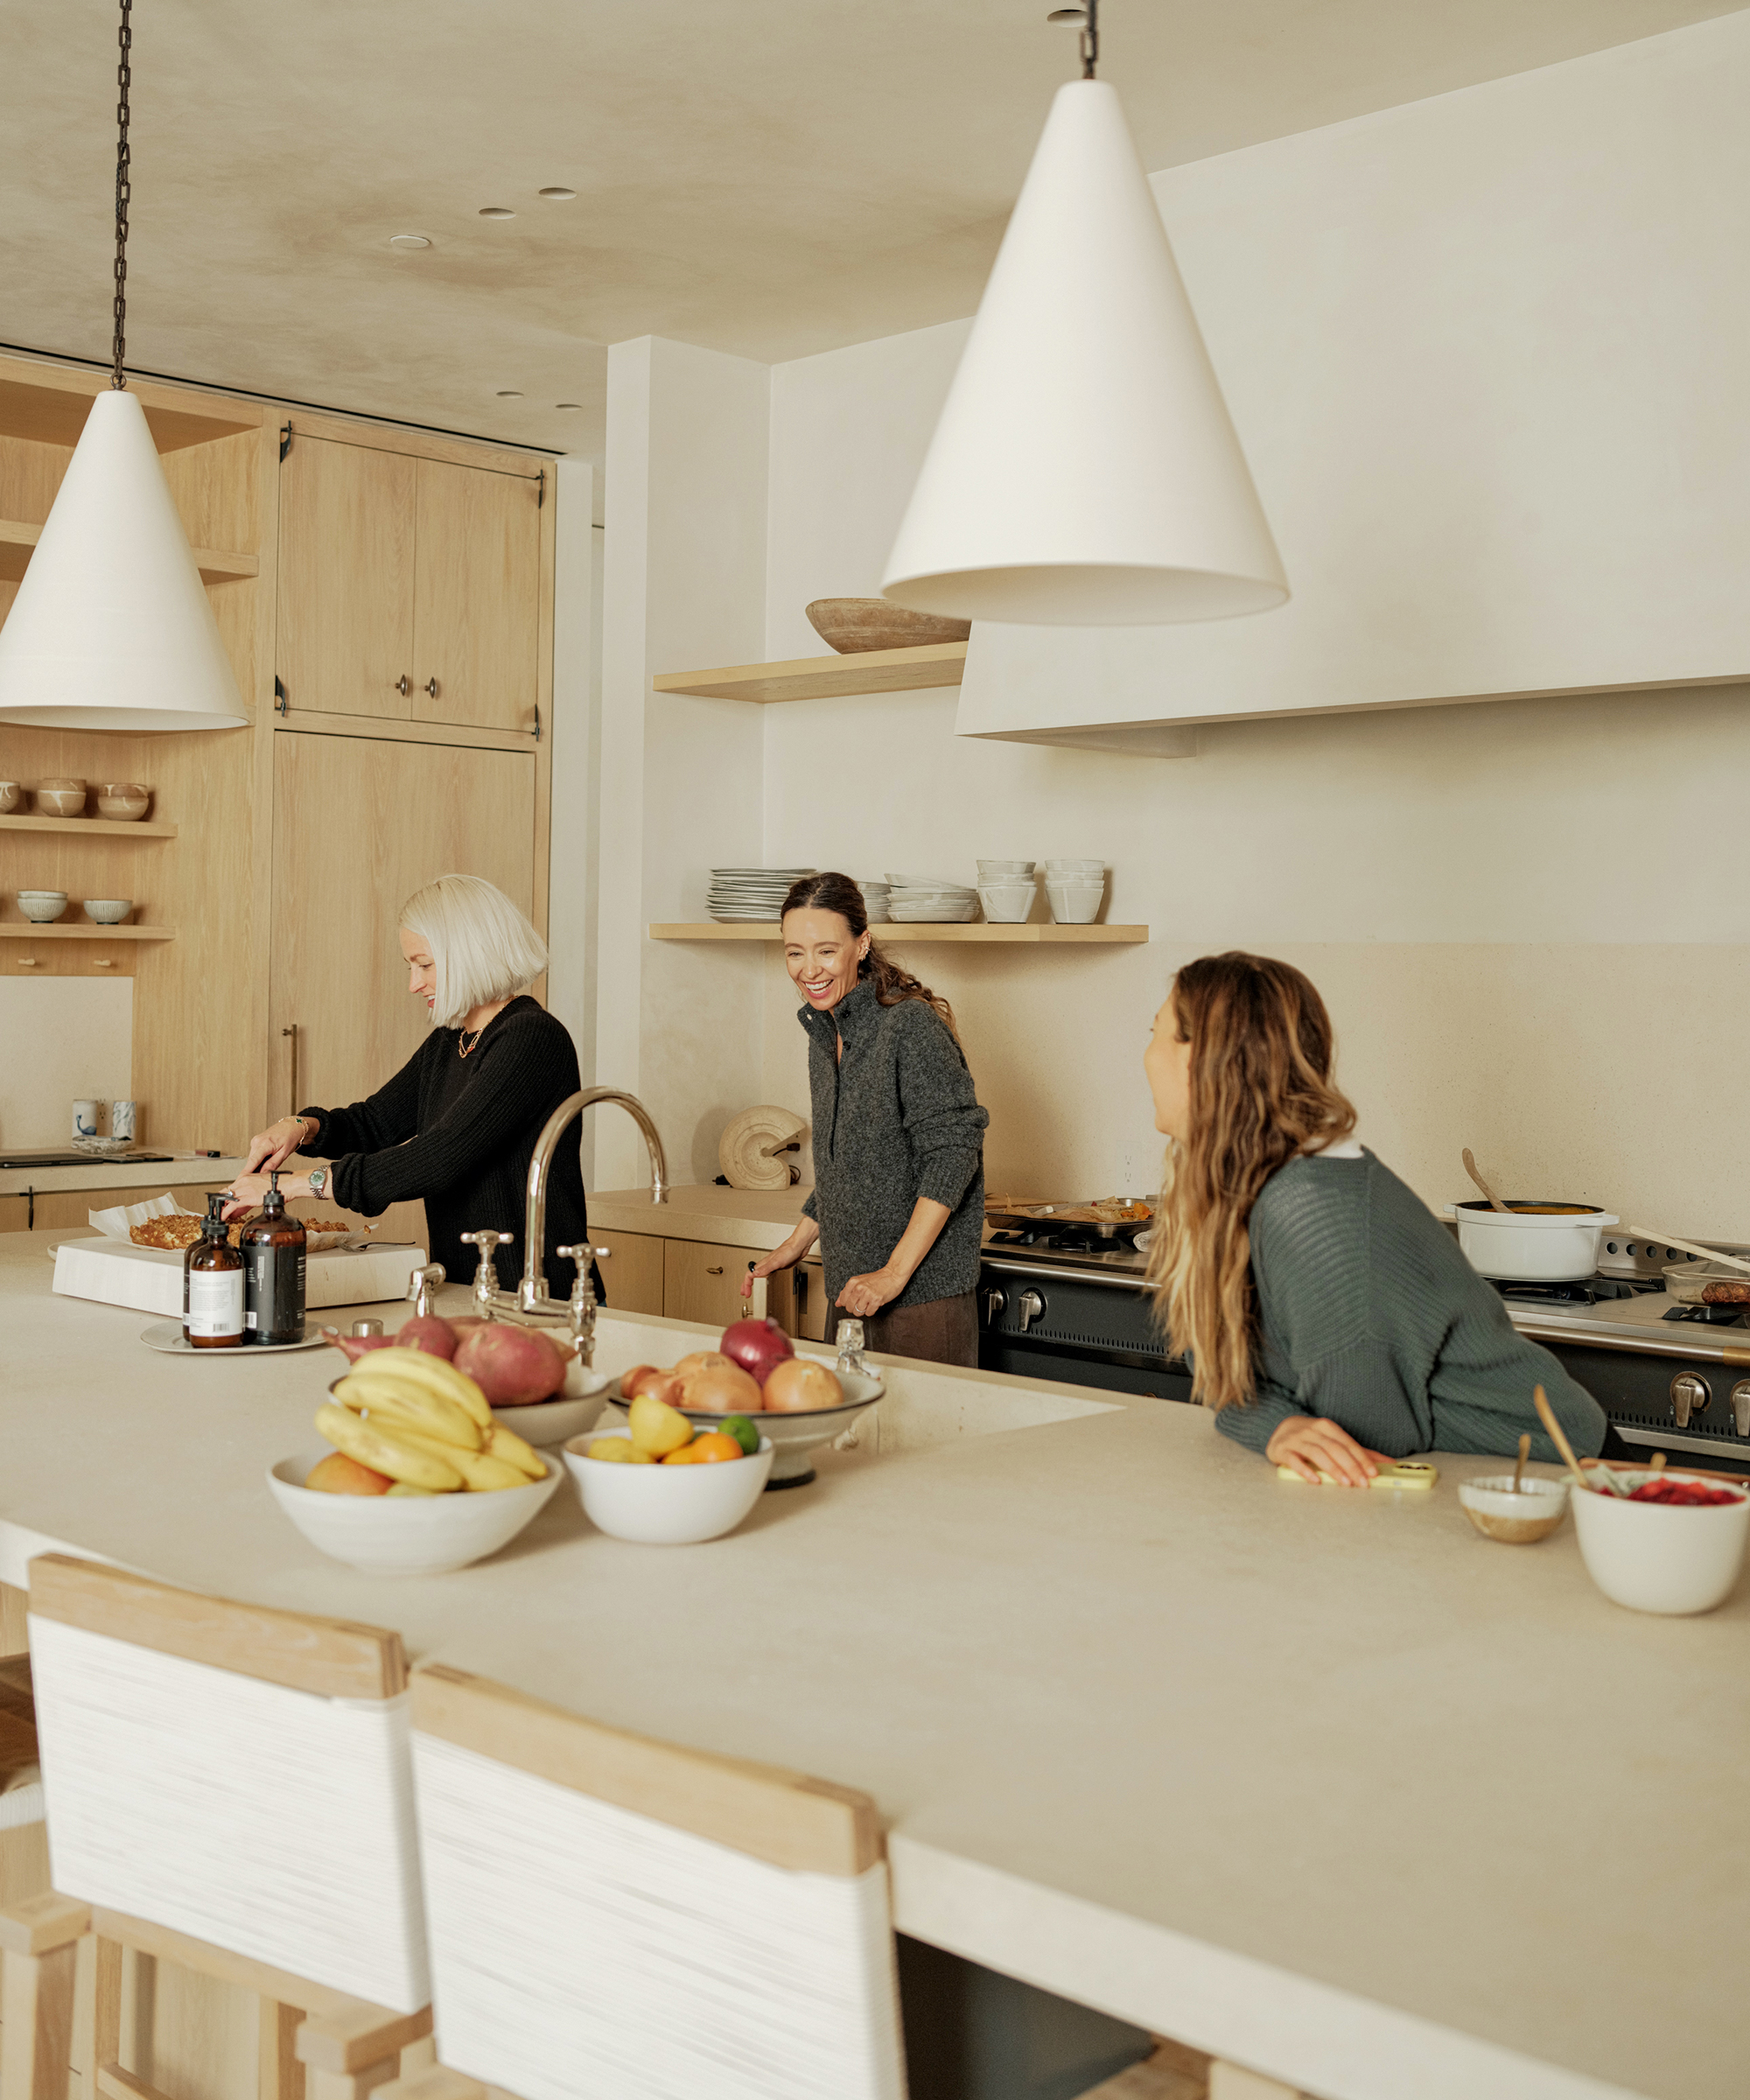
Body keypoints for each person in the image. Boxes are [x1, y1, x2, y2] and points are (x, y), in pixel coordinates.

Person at [1140, 950, 1607, 1482]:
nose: (1146, 1054)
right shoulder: (1241, 1182)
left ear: (1199, 1057)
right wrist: (1276, 1427)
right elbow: (1220, 1365)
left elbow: (1362, 1451)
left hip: (1556, 1475)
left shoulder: (1315, 1216)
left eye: (1154, 1031)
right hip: (1450, 1472)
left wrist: (1279, 1426)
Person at [225, 874, 598, 1301]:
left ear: (469, 954)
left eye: (424, 964)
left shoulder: (531, 1038)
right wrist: (301, 1126)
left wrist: (289, 1185)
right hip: (470, 1288)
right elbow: (374, 1123)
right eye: (410, 967)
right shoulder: (452, 1040)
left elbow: (439, 1155)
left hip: (539, 1295)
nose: (414, 984)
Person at [745, 872, 990, 1367]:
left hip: (921, 1295)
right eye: (795, 951)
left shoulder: (909, 1026)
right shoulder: (825, 1031)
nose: (808, 968)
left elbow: (953, 1153)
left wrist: (893, 1274)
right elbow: (851, 1162)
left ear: (862, 944)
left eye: (826, 950)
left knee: (924, 1445)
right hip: (851, 1288)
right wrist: (797, 1242)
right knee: (855, 1442)